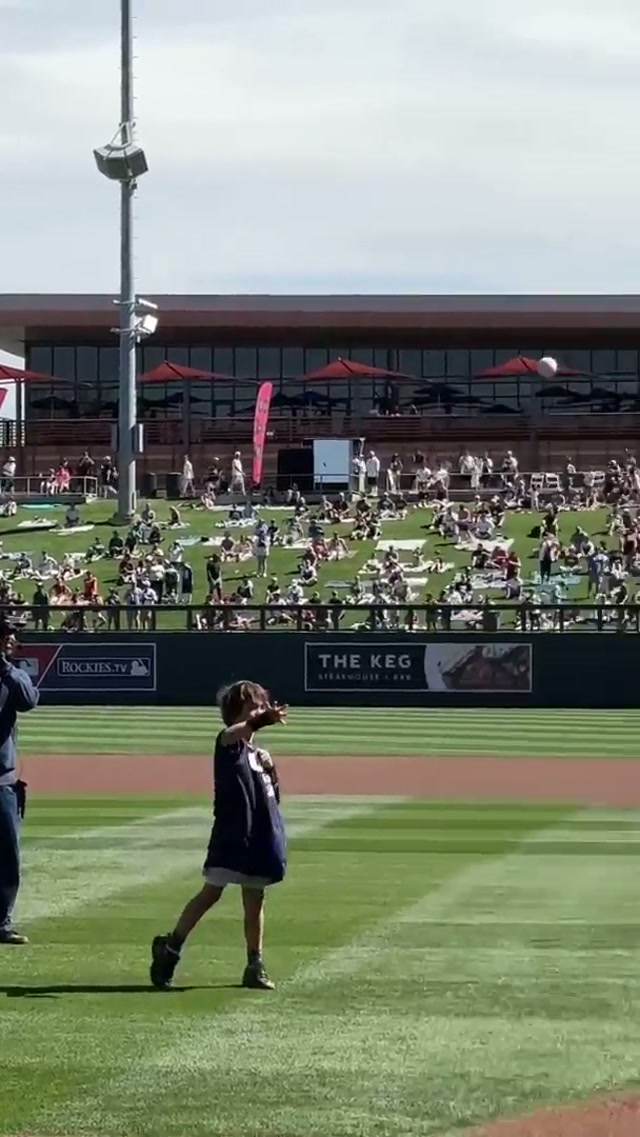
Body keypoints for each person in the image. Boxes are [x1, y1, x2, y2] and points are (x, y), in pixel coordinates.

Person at [150, 681, 288, 991]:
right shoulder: (228, 743)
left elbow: (273, 798)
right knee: (211, 893)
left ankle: (255, 964)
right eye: (254, 705)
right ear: (238, 711)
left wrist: (272, 770)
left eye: (262, 705)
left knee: (255, 899)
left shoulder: (258, 755)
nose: (260, 710)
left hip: (260, 836)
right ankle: (171, 948)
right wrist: (260, 721)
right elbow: (236, 732)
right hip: (232, 835)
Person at [0, 620, 39, 945]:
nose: (13, 641)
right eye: (8, 636)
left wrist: (6, 670)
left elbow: (29, 700)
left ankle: (1, 922)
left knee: (6, 856)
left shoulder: (11, 675)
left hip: (2, 780)